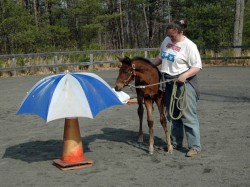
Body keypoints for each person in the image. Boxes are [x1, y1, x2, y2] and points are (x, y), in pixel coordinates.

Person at [152, 19, 202, 157]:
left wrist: (184, 75)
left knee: (188, 115)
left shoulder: (189, 46)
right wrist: (150, 64)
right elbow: (161, 57)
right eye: (169, 35)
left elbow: (197, 66)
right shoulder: (166, 41)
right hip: (168, 82)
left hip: (184, 83)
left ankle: (195, 146)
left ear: (181, 32)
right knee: (173, 115)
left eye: (173, 36)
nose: (171, 38)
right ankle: (175, 142)